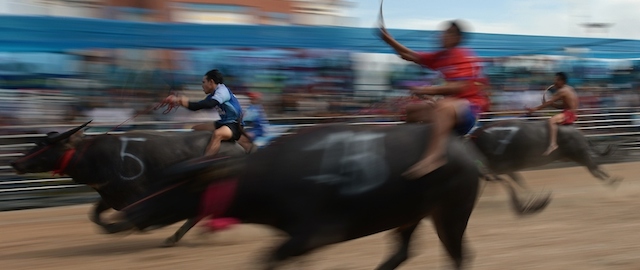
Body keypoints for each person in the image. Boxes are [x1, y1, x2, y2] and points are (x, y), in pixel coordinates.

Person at [378, 20, 490, 180]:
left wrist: (426, 90)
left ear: (456, 38)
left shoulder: (464, 55)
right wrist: (389, 40)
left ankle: (435, 157)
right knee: (412, 110)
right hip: (449, 109)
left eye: (447, 33)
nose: (442, 35)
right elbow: (410, 55)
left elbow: (458, 87)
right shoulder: (441, 57)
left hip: (468, 111)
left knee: (443, 106)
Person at [166, 69, 244, 157]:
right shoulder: (212, 95)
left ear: (211, 82)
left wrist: (185, 102)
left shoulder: (222, 91)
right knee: (196, 128)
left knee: (217, 134)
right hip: (223, 123)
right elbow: (197, 107)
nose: (202, 85)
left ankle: (206, 161)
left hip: (235, 125)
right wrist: (179, 101)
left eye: (203, 82)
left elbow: (210, 104)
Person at [526, 72, 578, 155]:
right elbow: (563, 106)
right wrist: (553, 104)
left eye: (557, 80)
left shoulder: (562, 91)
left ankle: (553, 144)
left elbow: (549, 102)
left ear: (562, 81)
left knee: (551, 121)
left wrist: (534, 109)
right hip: (570, 113)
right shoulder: (569, 89)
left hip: (569, 114)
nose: (554, 82)